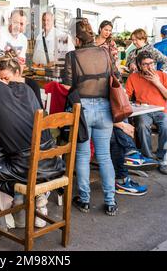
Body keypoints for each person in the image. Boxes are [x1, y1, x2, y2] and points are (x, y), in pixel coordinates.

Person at [0, 62, 65, 228]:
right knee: (2, 152)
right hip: (52, 163)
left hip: (23, 169)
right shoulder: (25, 88)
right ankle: (20, 208)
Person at [63, 19, 117, 216]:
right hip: (105, 108)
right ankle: (110, 202)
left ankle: (84, 200)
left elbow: (67, 87)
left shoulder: (72, 56)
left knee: (83, 156)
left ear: (77, 39)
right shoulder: (106, 52)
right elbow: (116, 76)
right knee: (104, 156)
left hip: (82, 109)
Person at [125, 50, 167, 175]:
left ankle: (162, 160)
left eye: (151, 63)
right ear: (139, 65)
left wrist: (157, 83)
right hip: (143, 110)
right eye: (145, 64)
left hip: (162, 110)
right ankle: (148, 157)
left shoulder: (163, 76)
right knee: (141, 125)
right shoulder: (133, 77)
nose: (150, 66)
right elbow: (126, 97)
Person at [110, 121, 157, 196]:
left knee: (117, 134)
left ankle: (122, 181)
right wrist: (122, 125)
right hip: (91, 127)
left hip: (104, 124)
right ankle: (131, 153)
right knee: (117, 132)